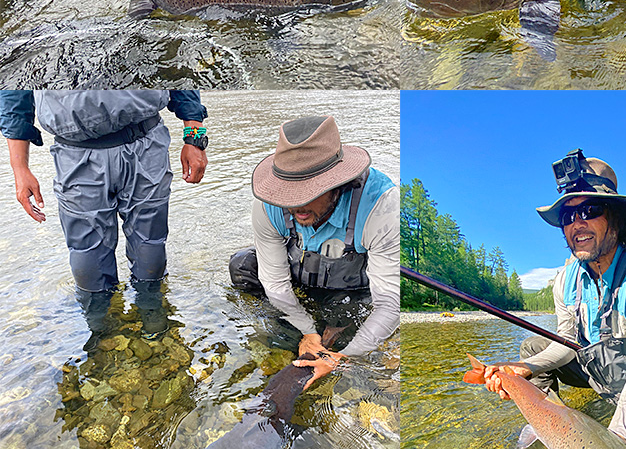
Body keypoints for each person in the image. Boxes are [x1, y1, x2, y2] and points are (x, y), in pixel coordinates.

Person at [480, 150, 626, 442]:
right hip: (586, 368)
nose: (577, 223)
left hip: (625, 379)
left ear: (616, 220)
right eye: (569, 216)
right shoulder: (565, 281)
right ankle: (547, 425)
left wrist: (615, 441)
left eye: (590, 211)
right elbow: (565, 344)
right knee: (532, 347)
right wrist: (525, 369)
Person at [1, 90, 208, 330]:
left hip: (146, 141)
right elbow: (14, 91)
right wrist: (19, 167)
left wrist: (195, 138)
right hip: (74, 151)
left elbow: (177, 68)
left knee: (151, 245)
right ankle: (102, 334)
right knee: (87, 255)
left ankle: (155, 322)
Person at [229, 114, 400, 390]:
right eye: (287, 193)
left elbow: (390, 303)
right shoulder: (266, 206)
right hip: (299, 275)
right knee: (242, 267)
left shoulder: (382, 207)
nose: (296, 206)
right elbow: (274, 282)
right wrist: (306, 329)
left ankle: (333, 341)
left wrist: (342, 357)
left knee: (349, 316)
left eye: (308, 192)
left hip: (351, 287)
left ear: (339, 183)